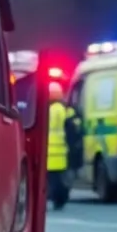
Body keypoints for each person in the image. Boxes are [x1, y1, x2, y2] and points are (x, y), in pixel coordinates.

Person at [46, 81, 74, 209]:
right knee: (59, 179)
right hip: (61, 151)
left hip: (49, 152)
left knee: (50, 180)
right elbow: (71, 129)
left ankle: (52, 198)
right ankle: (60, 200)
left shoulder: (48, 110)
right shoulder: (64, 110)